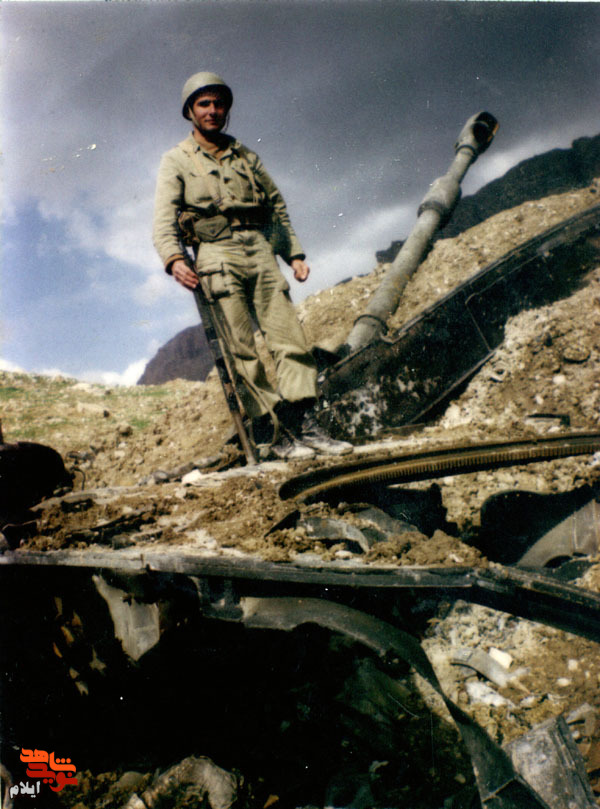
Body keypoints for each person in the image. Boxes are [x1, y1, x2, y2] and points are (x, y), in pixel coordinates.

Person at [153, 71, 352, 459]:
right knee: (241, 349)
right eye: (204, 104)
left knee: (289, 338)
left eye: (219, 104)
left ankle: (305, 425)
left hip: (260, 248)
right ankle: (276, 433)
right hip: (215, 254)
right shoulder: (176, 160)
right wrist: (173, 258)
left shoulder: (246, 156)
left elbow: (275, 205)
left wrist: (293, 254)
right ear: (190, 111)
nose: (213, 111)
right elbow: (163, 218)